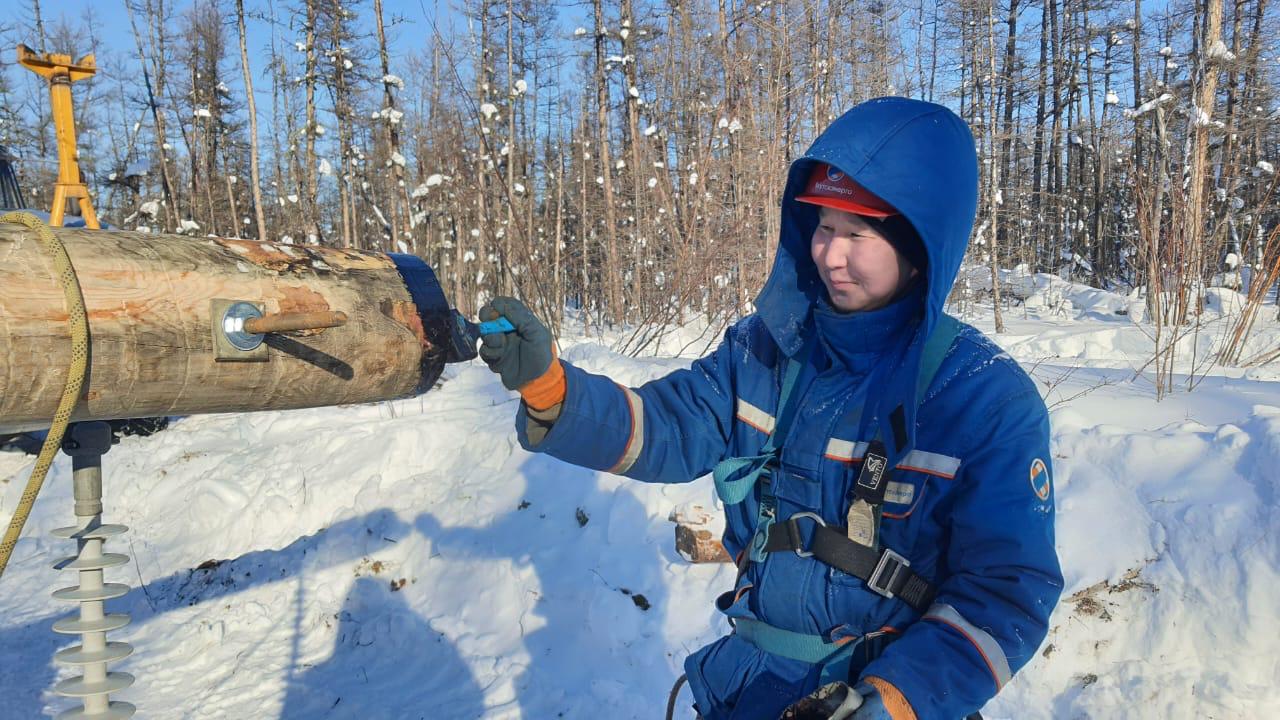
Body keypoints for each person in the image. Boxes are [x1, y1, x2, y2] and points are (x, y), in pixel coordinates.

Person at [478, 97, 1063, 720]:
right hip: (748, 687)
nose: (828, 255)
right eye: (823, 226)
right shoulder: (766, 351)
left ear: (919, 246)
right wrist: (552, 391)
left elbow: (1004, 593)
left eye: (856, 233)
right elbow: (668, 426)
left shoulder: (980, 397)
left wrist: (893, 702)